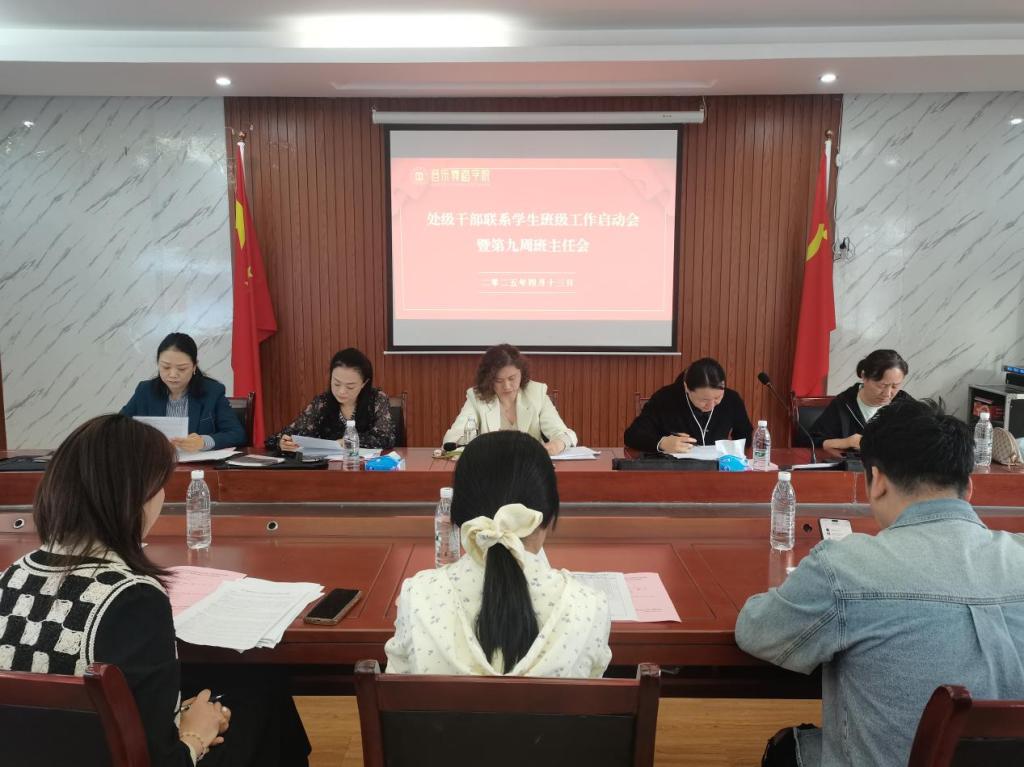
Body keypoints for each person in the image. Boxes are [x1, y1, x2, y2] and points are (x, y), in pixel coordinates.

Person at [0, 414, 311, 766]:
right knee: (261, 693)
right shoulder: (133, 598)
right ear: (135, 498)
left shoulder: (11, 578)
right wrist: (196, 734)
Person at [735, 399, 1024, 767]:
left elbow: (757, 631)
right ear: (968, 487)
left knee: (787, 748)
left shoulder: (846, 567)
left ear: (879, 482)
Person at [385, 431, 612, 677]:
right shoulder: (588, 608)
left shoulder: (417, 597)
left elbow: (394, 686)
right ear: (548, 516)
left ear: (458, 515)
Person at [442, 343, 577, 455]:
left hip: (529, 469)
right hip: (490, 469)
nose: (507, 386)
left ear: (522, 373)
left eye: (512, 378)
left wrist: (557, 444)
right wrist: (472, 444)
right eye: (499, 380)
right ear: (489, 379)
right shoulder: (477, 397)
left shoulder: (537, 393)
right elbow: (452, 438)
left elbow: (565, 434)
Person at [121, 332, 246, 451]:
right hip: (154, 462)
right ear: (158, 364)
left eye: (181, 369)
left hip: (196, 464)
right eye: (166, 367)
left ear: (194, 366)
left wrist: (203, 442)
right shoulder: (145, 391)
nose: (173, 374)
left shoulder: (213, 392)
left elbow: (237, 434)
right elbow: (119, 427)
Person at [266, 347, 395, 452]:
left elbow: (386, 438)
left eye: (350, 386)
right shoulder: (322, 402)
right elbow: (282, 436)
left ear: (364, 383)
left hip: (367, 470)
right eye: (336, 383)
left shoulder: (377, 399)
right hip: (327, 471)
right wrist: (282, 442)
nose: (341, 391)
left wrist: (350, 441)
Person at [624, 357, 753, 454]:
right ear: (687, 387)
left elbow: (745, 435)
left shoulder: (731, 399)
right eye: (704, 400)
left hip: (718, 469)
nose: (711, 405)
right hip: (674, 471)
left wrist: (731, 449)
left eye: (717, 398)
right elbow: (632, 435)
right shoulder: (665, 398)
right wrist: (662, 443)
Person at [810, 349, 911, 451]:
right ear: (864, 376)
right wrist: (846, 442)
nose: (887, 394)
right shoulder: (843, 403)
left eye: (895, 386)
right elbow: (812, 440)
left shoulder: (908, 406)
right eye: (882, 385)